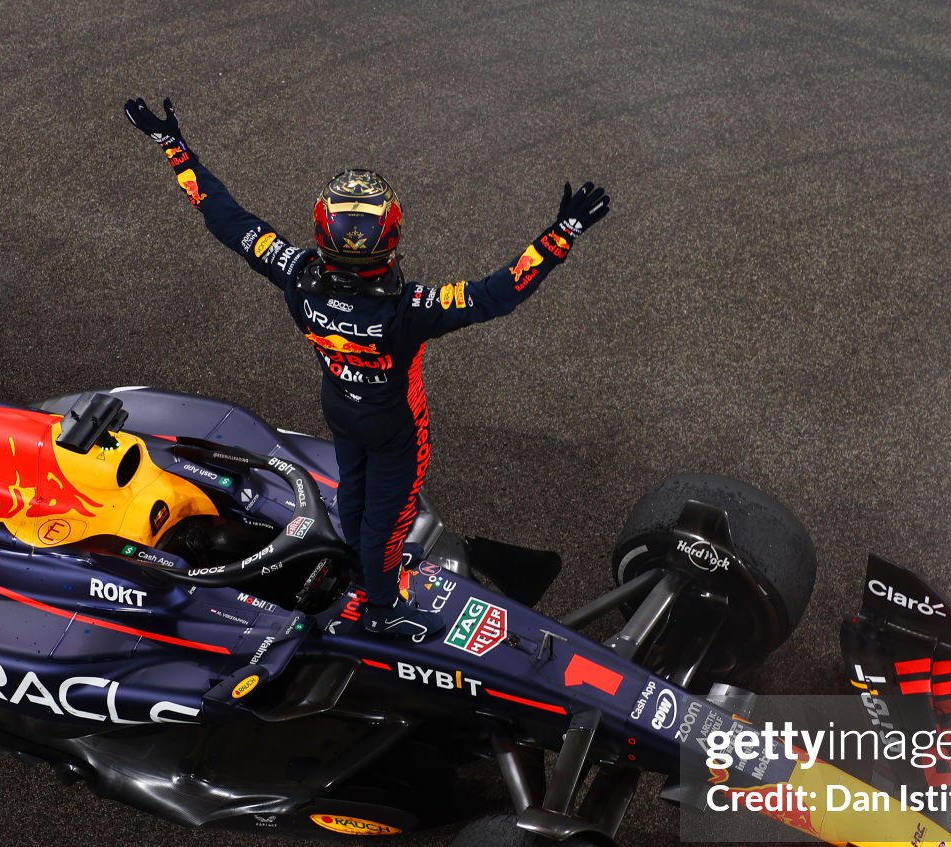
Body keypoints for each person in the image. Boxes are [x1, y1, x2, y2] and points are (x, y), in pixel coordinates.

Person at [124, 96, 609, 631]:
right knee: (387, 528)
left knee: (354, 502)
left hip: (340, 412)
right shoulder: (410, 309)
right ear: (392, 236)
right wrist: (561, 234)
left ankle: (363, 568)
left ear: (322, 231)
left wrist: (173, 146)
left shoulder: (295, 274)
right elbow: (496, 293)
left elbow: (227, 217)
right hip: (397, 431)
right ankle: (383, 611)